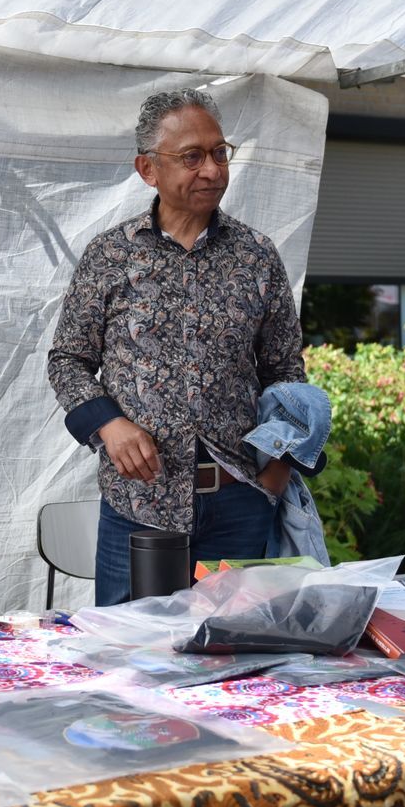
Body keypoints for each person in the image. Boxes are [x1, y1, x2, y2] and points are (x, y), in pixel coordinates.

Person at [47, 89, 305, 604]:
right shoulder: (111, 255)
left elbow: (286, 372)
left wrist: (273, 479)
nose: (211, 170)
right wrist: (108, 424)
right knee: (133, 658)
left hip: (238, 503)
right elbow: (67, 360)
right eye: (192, 157)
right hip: (139, 507)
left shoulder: (256, 256)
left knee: (231, 657)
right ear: (148, 169)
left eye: (219, 153)